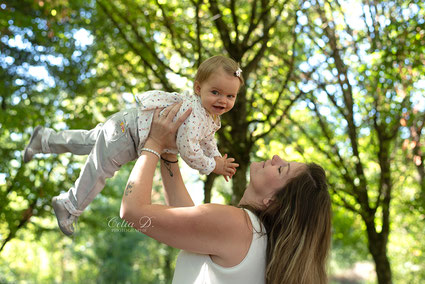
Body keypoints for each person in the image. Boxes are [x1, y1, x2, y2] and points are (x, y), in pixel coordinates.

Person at [22, 55, 243, 236]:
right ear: (198, 88)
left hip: (125, 123)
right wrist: (211, 166)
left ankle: (44, 139)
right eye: (216, 92)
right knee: (101, 168)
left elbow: (206, 140)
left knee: (89, 140)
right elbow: (188, 148)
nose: (223, 100)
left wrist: (216, 158)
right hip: (129, 136)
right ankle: (69, 205)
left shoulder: (210, 117)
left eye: (230, 96)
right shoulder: (195, 113)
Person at [120, 103, 332, 284]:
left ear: (273, 201)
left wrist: (154, 143)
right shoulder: (260, 241)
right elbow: (185, 214)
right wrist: (169, 151)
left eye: (281, 169)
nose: (276, 157)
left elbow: (133, 212)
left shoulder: (240, 225)